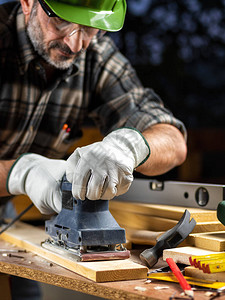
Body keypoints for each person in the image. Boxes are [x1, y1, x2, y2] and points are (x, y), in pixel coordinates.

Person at [0, 0, 187, 298]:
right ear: (27, 3)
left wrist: (131, 145)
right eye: (61, 21)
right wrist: (20, 172)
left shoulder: (97, 56)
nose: (75, 43)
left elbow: (173, 140)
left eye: (90, 27)